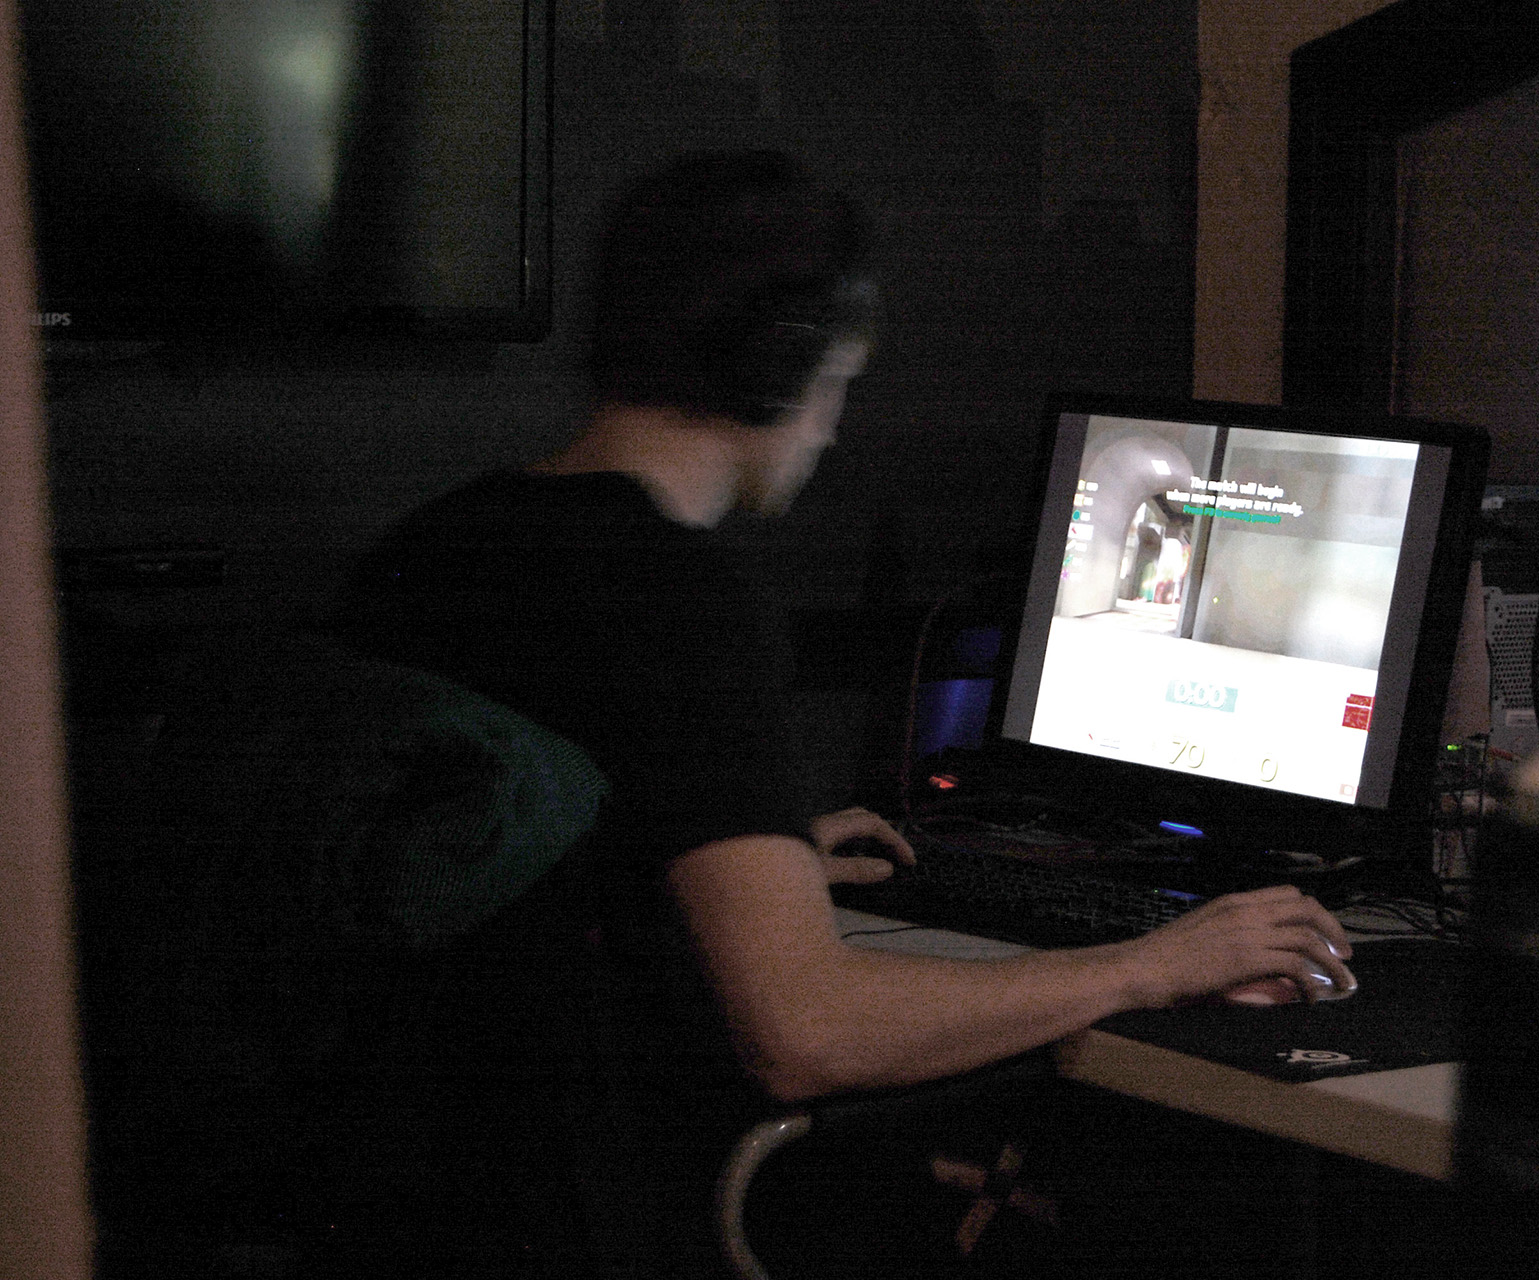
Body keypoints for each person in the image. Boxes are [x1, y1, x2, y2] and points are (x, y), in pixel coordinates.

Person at [336, 150, 1355, 1277]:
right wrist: (1152, 964)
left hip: (409, 1190)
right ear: (782, 365)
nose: (830, 429)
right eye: (839, 383)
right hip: (586, 1210)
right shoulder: (678, 602)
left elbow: (496, 846)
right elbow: (804, 1034)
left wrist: (733, 852)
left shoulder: (438, 543)